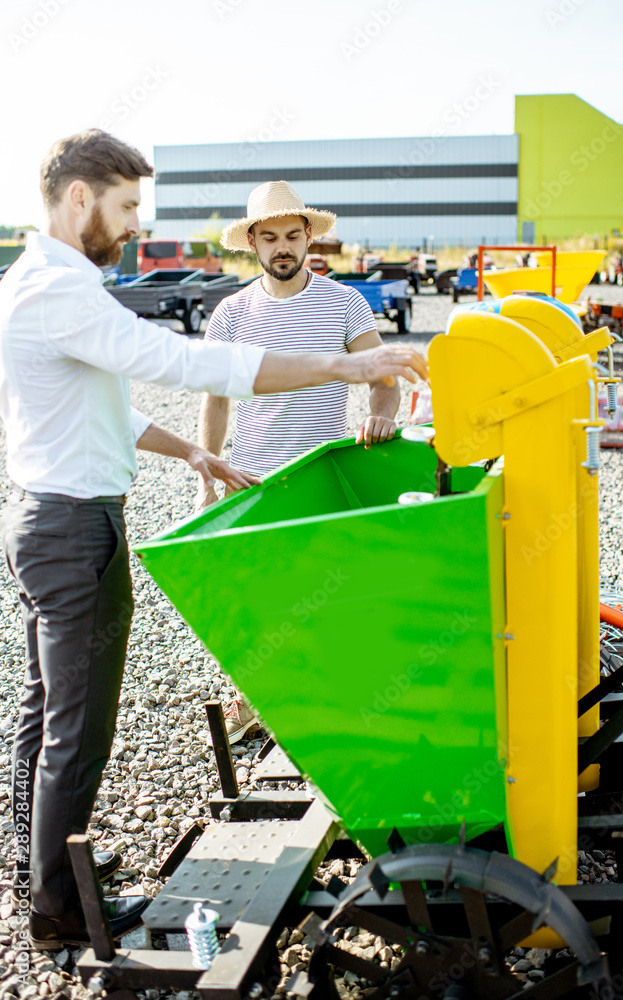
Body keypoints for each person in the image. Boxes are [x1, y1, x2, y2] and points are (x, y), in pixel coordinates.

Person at [0, 129, 427, 950]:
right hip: (70, 525)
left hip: (47, 517)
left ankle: (39, 878)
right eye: (126, 207)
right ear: (81, 198)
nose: (133, 227)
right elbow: (186, 363)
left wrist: (191, 450)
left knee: (43, 713)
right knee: (75, 727)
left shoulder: (35, 281)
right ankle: (58, 910)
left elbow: (104, 404)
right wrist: (339, 370)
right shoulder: (60, 289)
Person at [196, 180, 402, 743]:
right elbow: (215, 400)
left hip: (317, 472)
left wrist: (382, 414)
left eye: (292, 235)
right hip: (251, 478)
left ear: (309, 236)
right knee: (255, 592)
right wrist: (207, 476)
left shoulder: (345, 303)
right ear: (254, 245)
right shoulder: (232, 314)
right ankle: (255, 697)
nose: (282, 246)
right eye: (270, 238)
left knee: (323, 588)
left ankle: (329, 704)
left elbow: (384, 378)